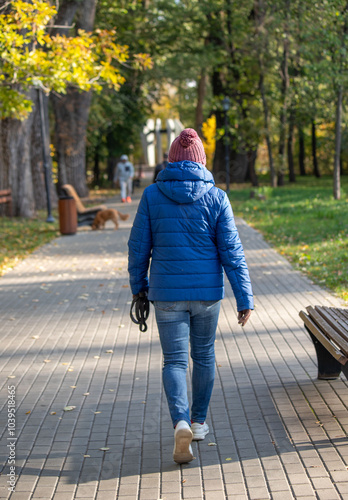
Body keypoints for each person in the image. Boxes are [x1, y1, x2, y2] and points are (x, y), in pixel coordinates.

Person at [128, 128, 253, 464]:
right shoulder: (218, 197)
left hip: (167, 294)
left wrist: (138, 287)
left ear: (171, 159)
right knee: (204, 357)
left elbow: (139, 247)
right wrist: (244, 297)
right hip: (207, 295)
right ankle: (197, 423)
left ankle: (180, 421)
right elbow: (232, 251)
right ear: (201, 161)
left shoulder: (152, 195)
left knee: (174, 361)